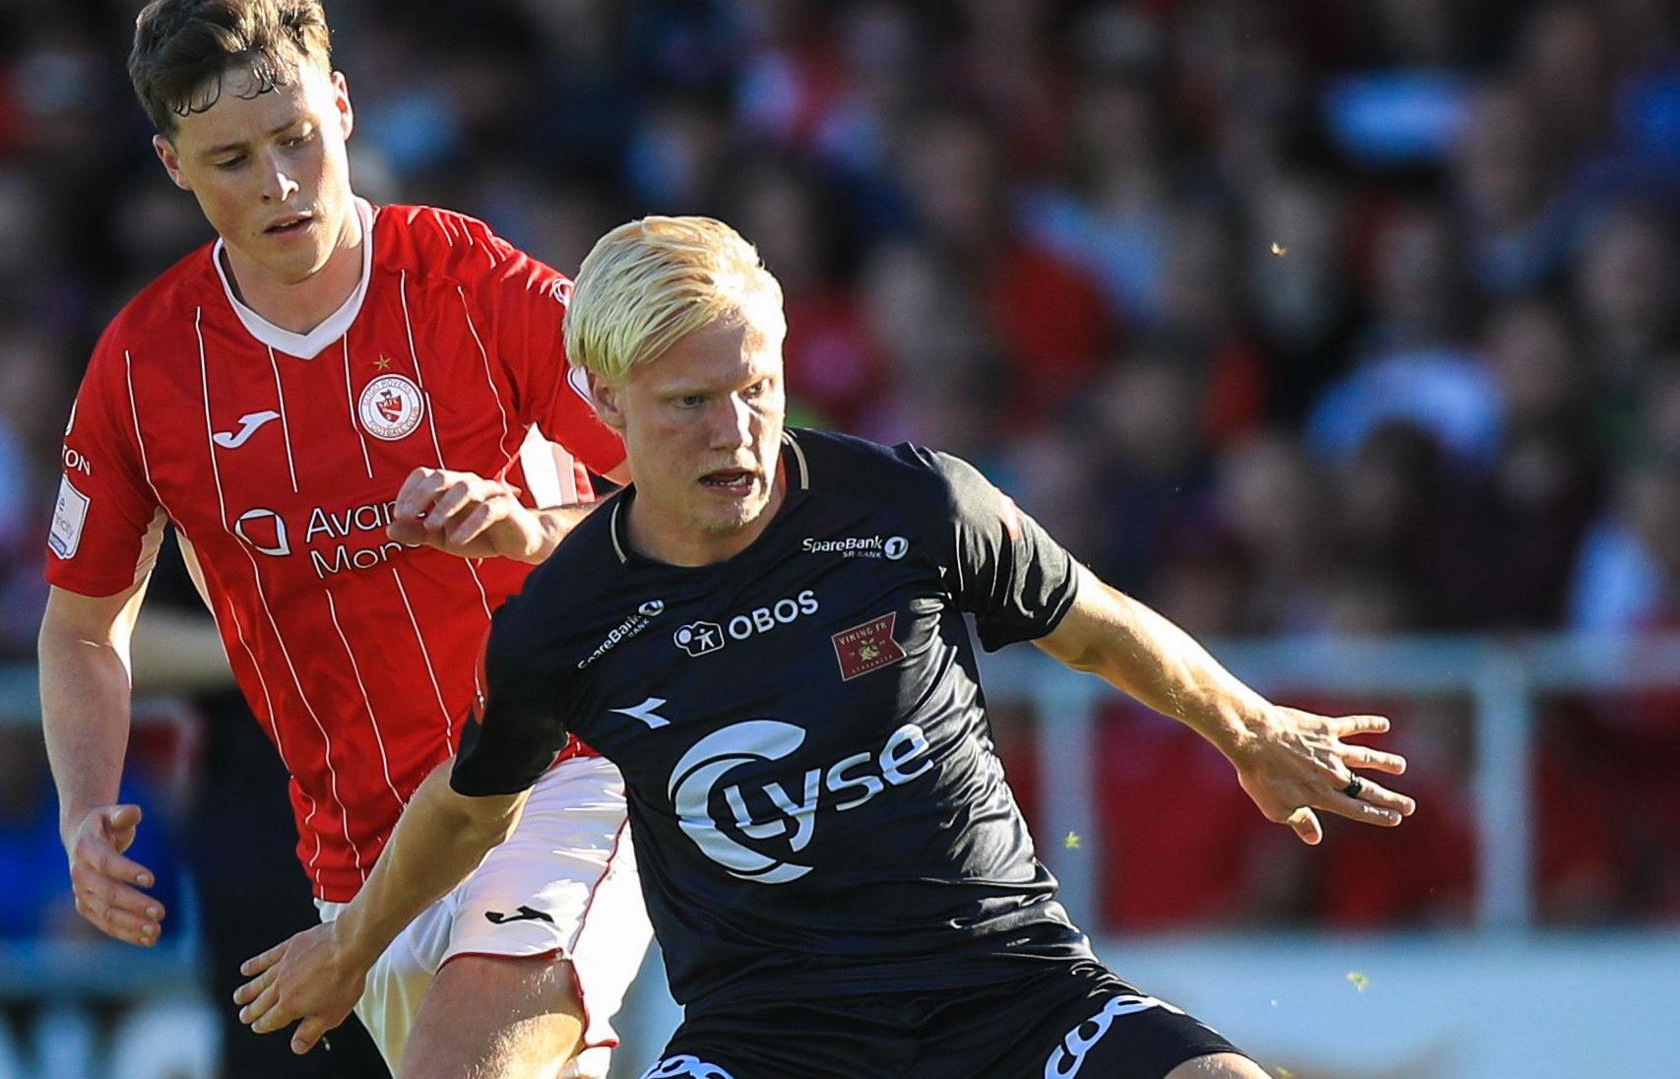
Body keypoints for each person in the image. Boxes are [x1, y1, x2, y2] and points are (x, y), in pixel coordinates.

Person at [235, 214, 1416, 1078]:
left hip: (1008, 995)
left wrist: (1248, 729)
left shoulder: (912, 508)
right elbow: (470, 803)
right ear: (602, 405)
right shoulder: (565, 620)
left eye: (753, 390)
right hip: (772, 1039)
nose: (733, 433)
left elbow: (1096, 625)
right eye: (685, 404)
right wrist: (353, 944)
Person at [38, 0, 653, 1079]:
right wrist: (87, 809)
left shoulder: (471, 282)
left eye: (297, 138)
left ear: (343, 103)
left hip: (559, 772)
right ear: (174, 165)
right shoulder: (144, 369)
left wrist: (526, 528)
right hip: (356, 850)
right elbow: (83, 626)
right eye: (232, 159)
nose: (278, 181)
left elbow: (675, 499)